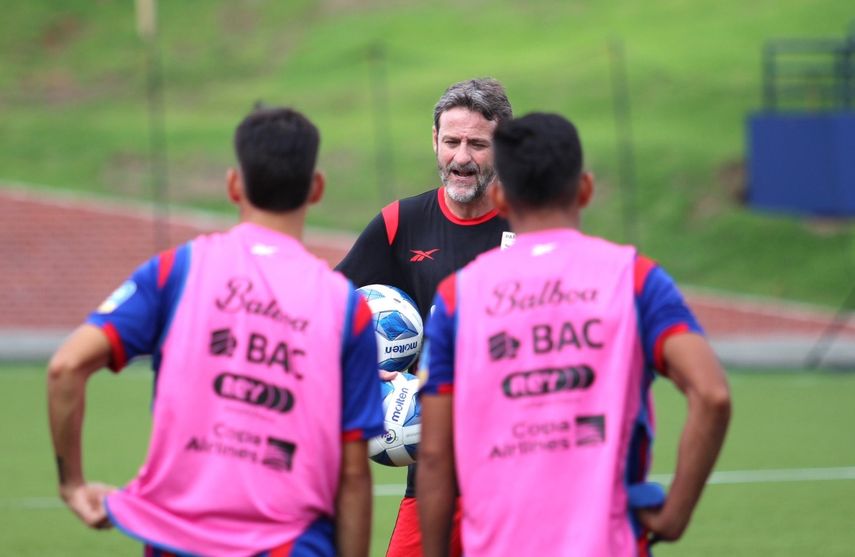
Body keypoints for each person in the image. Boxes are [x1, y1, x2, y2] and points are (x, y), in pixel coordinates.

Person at [46, 107, 385, 557]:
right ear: (316, 187)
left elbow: (65, 367)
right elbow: (353, 474)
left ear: (233, 185)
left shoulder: (176, 272)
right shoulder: (346, 308)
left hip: (175, 541)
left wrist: (72, 483)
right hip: (291, 545)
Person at [417, 113, 732, 557]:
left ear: (501, 196)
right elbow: (713, 393)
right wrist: (675, 514)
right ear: (585, 188)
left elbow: (434, 456)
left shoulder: (459, 297)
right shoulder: (635, 279)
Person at [336, 78, 514, 557]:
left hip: (518, 472)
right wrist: (365, 372)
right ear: (434, 140)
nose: (461, 158)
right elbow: (324, 312)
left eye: (478, 144)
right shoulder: (401, 222)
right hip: (434, 472)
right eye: (451, 141)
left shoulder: (529, 230)